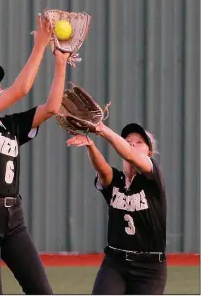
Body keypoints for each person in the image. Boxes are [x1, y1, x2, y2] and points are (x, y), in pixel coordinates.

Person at [0, 14, 70, 295]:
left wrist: (60, 61)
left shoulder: (8, 126)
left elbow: (51, 108)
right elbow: (21, 89)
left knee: (42, 291)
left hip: (14, 219)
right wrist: (40, 45)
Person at [66, 121, 167, 294]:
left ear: (149, 152)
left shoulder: (153, 177)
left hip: (149, 268)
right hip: (115, 263)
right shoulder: (117, 181)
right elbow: (104, 172)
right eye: (128, 141)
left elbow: (130, 155)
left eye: (139, 142)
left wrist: (101, 129)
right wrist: (90, 145)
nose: (132, 145)